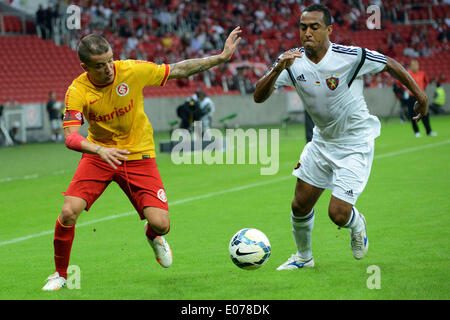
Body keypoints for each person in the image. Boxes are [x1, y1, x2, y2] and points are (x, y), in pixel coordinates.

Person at [42, 27, 242, 290]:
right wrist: (99, 150)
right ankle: (60, 275)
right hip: (99, 156)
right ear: (85, 66)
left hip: (138, 155)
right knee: (68, 212)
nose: (109, 69)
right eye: (100, 66)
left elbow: (177, 69)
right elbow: (70, 136)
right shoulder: (77, 91)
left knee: (161, 224)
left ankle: (153, 237)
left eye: (110, 60)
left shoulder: (131, 70)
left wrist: (220, 57)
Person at [253, 4, 428, 270]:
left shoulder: (350, 56)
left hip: (355, 143)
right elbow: (258, 96)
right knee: (299, 205)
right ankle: (303, 258)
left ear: (329, 30)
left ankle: (356, 222)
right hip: (322, 142)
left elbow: (389, 64)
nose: (307, 32)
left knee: (337, 214)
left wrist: (420, 95)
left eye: (314, 27)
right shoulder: (290, 61)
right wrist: (278, 70)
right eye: (303, 27)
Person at [405, 60, 436, 137]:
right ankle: (416, 132)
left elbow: (426, 82)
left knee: (425, 113)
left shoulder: (422, 74)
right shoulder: (408, 73)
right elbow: (402, 82)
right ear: (411, 66)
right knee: (412, 114)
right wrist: (406, 90)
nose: (415, 66)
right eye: (413, 65)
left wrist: (422, 90)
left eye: (416, 65)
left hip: (420, 97)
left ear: (418, 66)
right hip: (412, 97)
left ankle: (429, 131)